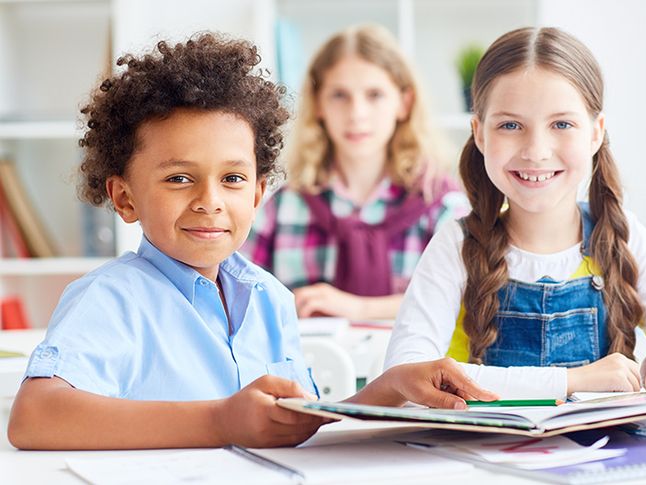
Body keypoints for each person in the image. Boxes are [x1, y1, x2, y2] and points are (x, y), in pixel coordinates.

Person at [6, 33, 496, 451]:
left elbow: (295, 425)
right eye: (179, 178)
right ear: (125, 197)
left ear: (260, 192)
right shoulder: (110, 299)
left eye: (234, 179)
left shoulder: (269, 299)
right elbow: (34, 417)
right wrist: (220, 420)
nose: (209, 201)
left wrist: (389, 390)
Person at [384, 27, 646, 399]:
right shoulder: (456, 245)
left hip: (602, 454)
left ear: (595, 133)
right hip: (475, 454)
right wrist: (572, 381)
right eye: (510, 125)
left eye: (561, 124)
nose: (536, 150)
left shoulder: (622, 235)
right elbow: (407, 375)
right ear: (479, 134)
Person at [242, 24, 469, 320]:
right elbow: (237, 294)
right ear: (318, 103)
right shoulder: (282, 207)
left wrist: (358, 309)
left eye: (374, 95)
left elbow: (467, 301)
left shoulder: (442, 205)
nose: (356, 114)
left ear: (404, 103)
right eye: (339, 95)